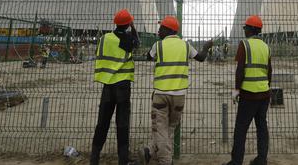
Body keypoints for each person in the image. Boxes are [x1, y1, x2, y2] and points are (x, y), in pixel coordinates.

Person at [139, 16, 212, 165]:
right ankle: (150, 152)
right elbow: (201, 58)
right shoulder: (186, 46)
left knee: (161, 129)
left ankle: (165, 161)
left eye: (161, 28)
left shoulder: (157, 46)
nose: (158, 31)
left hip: (161, 94)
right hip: (179, 96)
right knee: (169, 128)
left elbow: (148, 57)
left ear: (169, 30)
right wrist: (206, 47)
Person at [90, 9, 140, 165]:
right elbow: (137, 43)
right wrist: (133, 27)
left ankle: (94, 158)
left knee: (102, 122)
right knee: (122, 123)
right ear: (128, 24)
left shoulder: (105, 38)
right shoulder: (127, 39)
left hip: (107, 85)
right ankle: (123, 160)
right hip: (123, 86)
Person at [224, 15, 272, 165]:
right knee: (262, 127)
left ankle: (236, 161)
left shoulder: (244, 44)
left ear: (251, 29)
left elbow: (240, 70)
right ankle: (261, 159)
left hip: (248, 95)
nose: (244, 30)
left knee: (241, 129)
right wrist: (265, 87)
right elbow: (269, 71)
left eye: (245, 28)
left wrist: (237, 90)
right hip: (264, 94)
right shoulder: (266, 46)